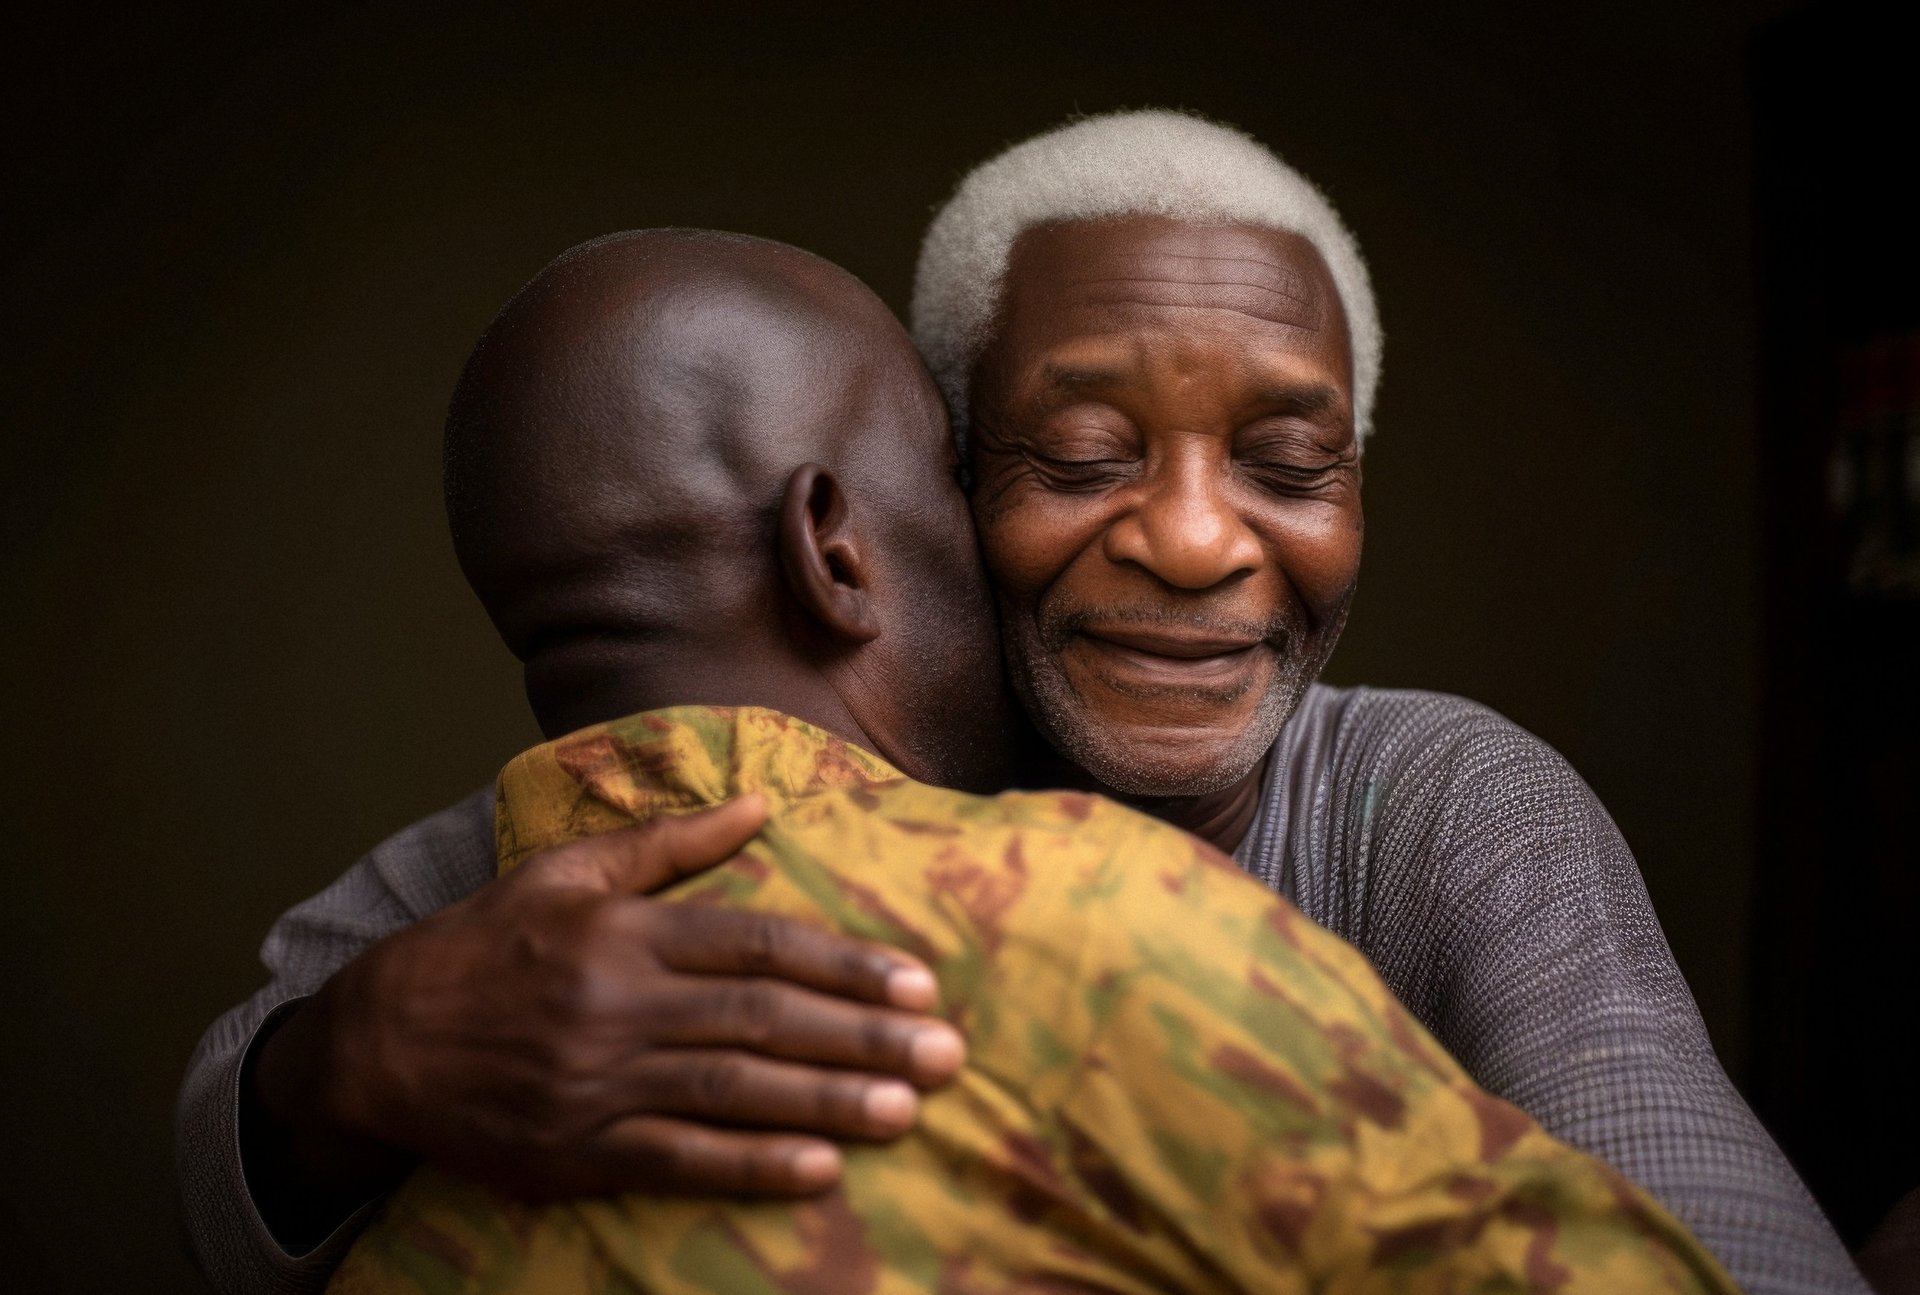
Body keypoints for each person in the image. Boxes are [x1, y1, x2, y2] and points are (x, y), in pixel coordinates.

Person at [176, 113, 1868, 1295]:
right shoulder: (668, 831)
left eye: (1289, 465)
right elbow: (244, 1128)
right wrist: (348, 1065)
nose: (1198, 542)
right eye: (1074, 459)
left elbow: (1694, 1205)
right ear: (935, 488)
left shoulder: (1420, 798)